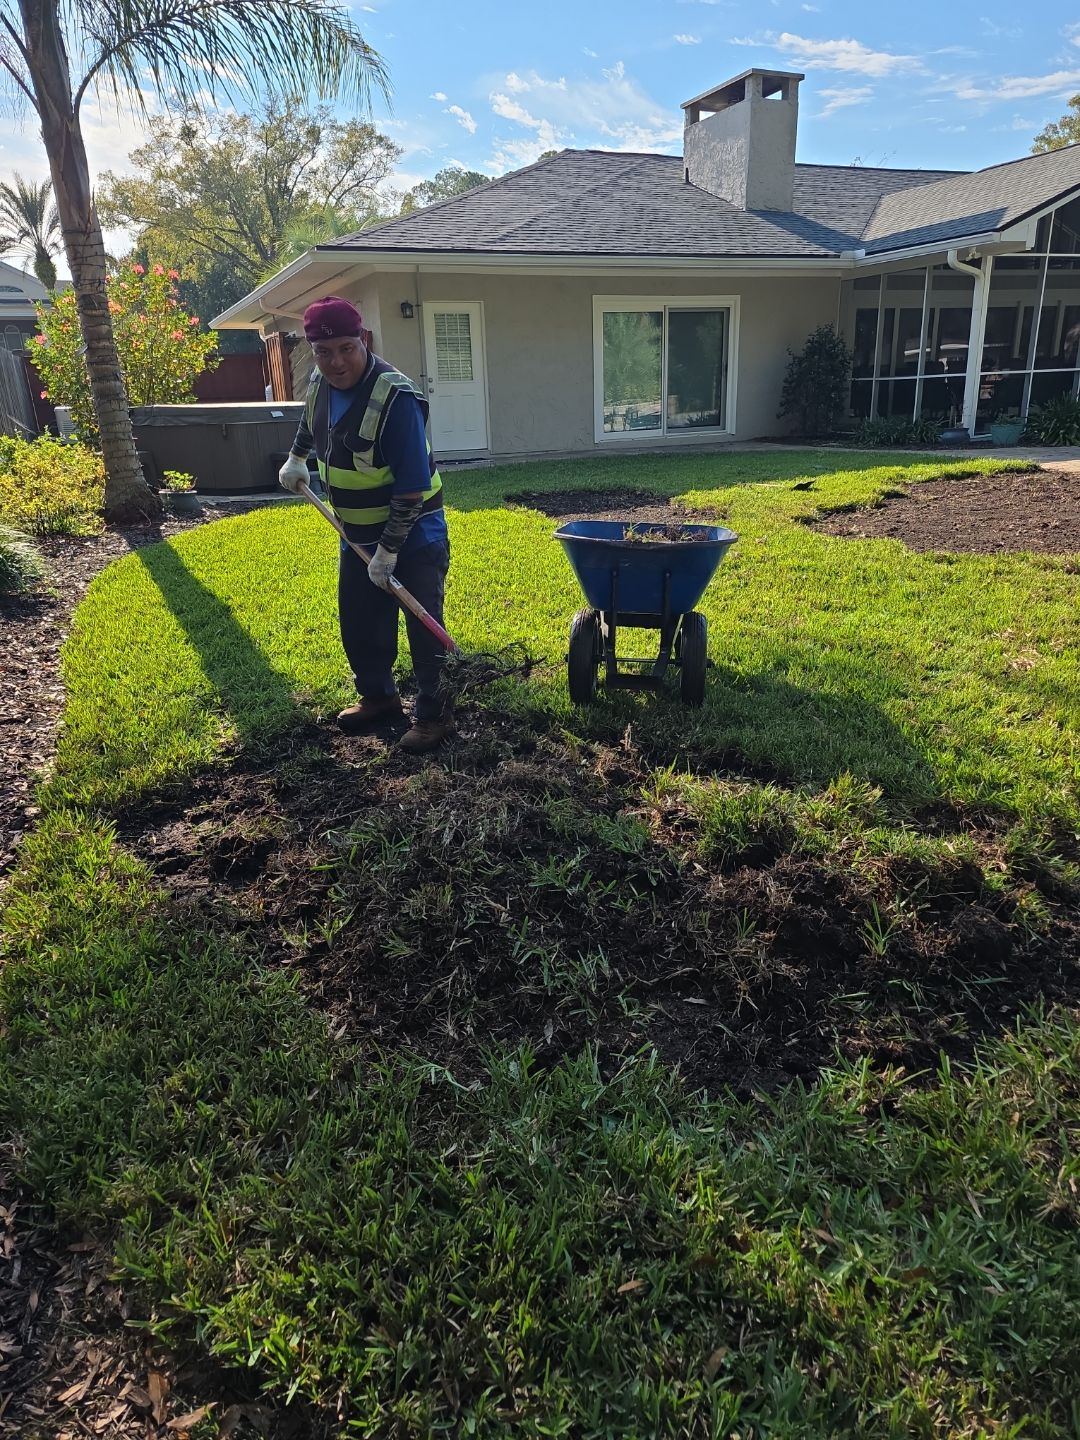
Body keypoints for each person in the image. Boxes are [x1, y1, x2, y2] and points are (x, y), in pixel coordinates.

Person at [278, 296, 452, 754]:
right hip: (354, 531)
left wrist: (389, 552)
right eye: (324, 351)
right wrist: (297, 458)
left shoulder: (396, 399)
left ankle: (434, 717)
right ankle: (379, 697)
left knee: (423, 625)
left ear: (364, 341)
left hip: (412, 534)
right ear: (312, 350)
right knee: (360, 620)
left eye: (346, 348)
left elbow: (411, 490)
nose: (336, 362)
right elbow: (312, 421)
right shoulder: (320, 379)